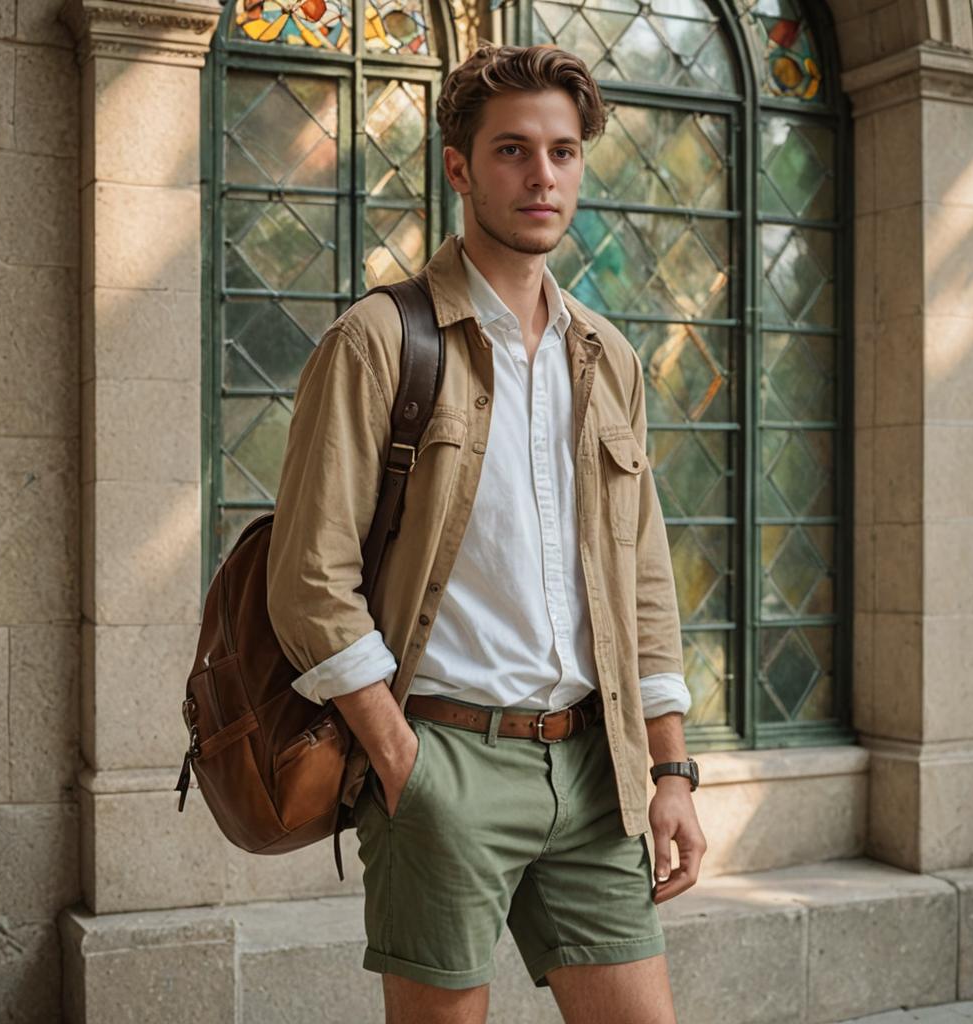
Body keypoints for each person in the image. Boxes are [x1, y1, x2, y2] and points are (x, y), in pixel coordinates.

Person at [266, 41, 707, 1024]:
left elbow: (642, 583)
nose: (540, 175)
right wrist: (397, 758)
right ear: (458, 166)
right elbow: (309, 577)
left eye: (561, 151)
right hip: (444, 758)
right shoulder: (380, 340)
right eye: (511, 151)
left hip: (596, 771)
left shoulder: (609, 357)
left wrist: (668, 771)